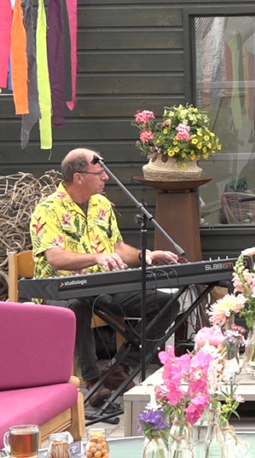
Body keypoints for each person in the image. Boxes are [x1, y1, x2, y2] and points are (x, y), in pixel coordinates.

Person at [29, 149, 181, 406]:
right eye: (99, 172)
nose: (106, 177)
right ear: (79, 177)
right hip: (61, 291)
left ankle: (119, 369)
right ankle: (92, 379)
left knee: (169, 303)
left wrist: (147, 254)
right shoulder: (47, 209)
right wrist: (95, 258)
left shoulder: (102, 204)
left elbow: (118, 248)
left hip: (104, 287)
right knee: (77, 306)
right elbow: (55, 257)